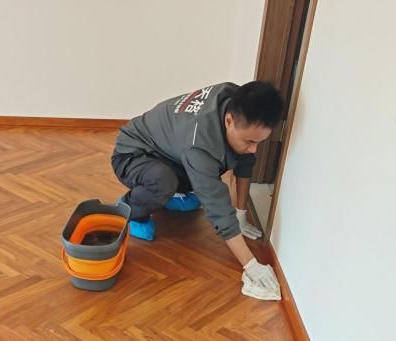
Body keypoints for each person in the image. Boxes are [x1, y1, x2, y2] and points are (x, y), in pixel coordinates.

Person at [111, 81, 283, 273]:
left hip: (170, 153)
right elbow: (218, 208)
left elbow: (245, 162)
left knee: (206, 170)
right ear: (229, 121)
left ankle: (168, 193)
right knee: (165, 181)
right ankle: (132, 209)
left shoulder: (237, 100)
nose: (254, 149)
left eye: (259, 142)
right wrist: (250, 265)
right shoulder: (200, 143)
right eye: (249, 141)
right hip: (132, 154)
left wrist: (241, 214)